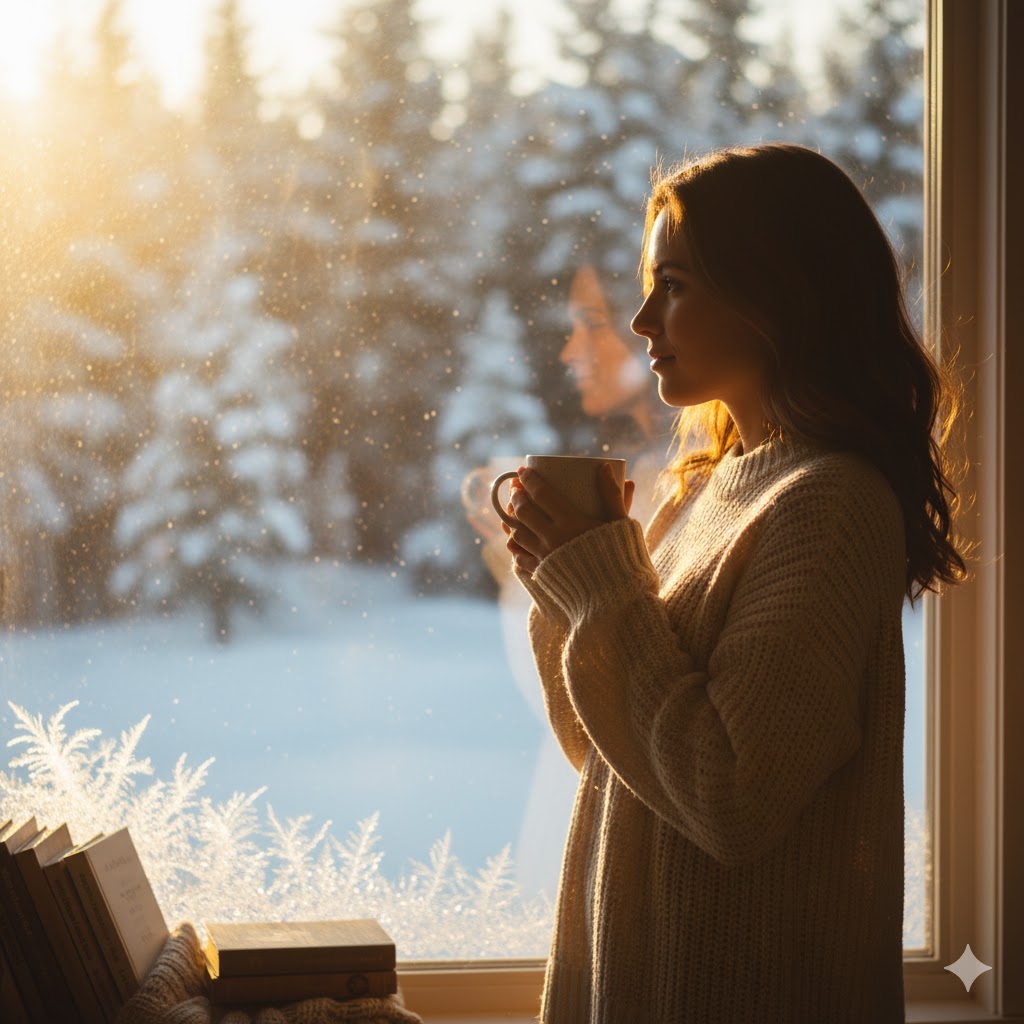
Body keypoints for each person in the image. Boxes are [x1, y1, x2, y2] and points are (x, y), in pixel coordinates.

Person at [500, 143, 968, 1022]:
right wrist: (562, 584)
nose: (642, 322)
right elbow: (616, 758)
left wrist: (602, 591)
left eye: (673, 285)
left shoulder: (829, 504)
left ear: (778, 294)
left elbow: (728, 801)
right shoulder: (712, 488)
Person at [463, 261, 671, 898]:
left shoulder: (679, 498)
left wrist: (572, 565)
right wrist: (526, 564)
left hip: (639, 830)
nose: (570, 349)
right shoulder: (642, 481)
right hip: (590, 804)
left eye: (594, 325)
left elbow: (634, 701)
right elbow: (578, 708)